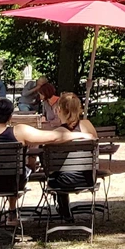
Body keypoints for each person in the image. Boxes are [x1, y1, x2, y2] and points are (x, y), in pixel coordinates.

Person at [0, 96, 92, 242]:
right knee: (19, 170)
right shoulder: (20, 132)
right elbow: (54, 137)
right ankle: (12, 210)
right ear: (10, 117)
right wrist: (80, 134)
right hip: (13, 184)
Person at [50, 92, 99, 221]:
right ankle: (65, 212)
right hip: (88, 178)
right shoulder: (88, 125)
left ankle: (65, 212)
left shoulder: (58, 133)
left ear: (58, 110)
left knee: (55, 173)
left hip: (62, 182)